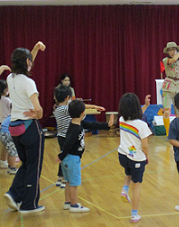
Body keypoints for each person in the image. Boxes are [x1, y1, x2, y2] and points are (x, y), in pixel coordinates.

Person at [4, 41, 46, 214]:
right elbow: (38, 109)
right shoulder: (29, 83)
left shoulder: (9, 78)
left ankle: (13, 193)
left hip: (14, 128)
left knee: (27, 164)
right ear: (27, 62)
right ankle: (29, 205)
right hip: (29, 128)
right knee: (34, 167)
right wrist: (39, 113)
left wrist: (35, 50)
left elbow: (24, 68)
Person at [56, 99, 113, 212]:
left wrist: (107, 125)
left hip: (69, 159)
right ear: (83, 113)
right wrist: (61, 156)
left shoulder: (78, 124)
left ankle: (67, 202)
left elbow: (93, 125)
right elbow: (67, 144)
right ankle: (74, 205)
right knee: (73, 183)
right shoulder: (75, 129)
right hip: (72, 159)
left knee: (68, 181)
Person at [53, 85, 106, 188]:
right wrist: (88, 106)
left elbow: (77, 106)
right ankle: (64, 179)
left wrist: (82, 104)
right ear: (68, 98)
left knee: (64, 155)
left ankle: (60, 177)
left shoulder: (57, 109)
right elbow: (78, 109)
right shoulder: (66, 109)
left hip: (60, 136)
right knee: (67, 156)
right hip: (68, 136)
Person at [118, 93, 152, 222]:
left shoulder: (122, 119)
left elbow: (135, 119)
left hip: (122, 155)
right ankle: (134, 214)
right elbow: (145, 146)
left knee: (128, 172)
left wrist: (146, 106)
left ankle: (124, 189)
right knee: (137, 186)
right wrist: (147, 156)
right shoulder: (142, 125)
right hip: (136, 158)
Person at [0, 67, 12, 169]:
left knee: (4, 144)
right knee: (7, 145)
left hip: (1, 124)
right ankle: (6, 162)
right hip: (5, 125)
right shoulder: (8, 101)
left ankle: (3, 161)